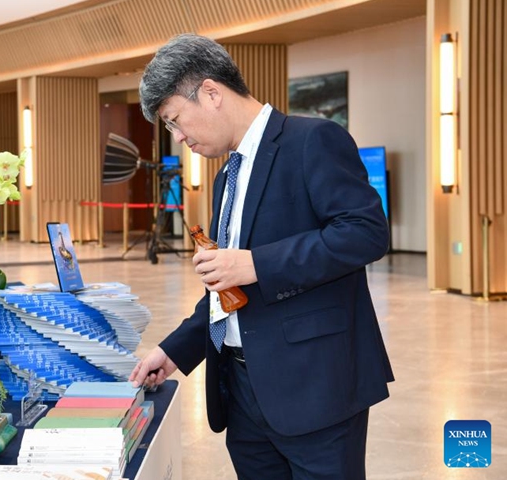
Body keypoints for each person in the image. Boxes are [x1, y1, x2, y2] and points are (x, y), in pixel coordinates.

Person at [129, 34, 394, 480]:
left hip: (316, 391)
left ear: (211, 93)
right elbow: (228, 289)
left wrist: (257, 263)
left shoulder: (313, 141)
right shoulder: (224, 179)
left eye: (175, 121)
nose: (178, 138)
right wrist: (175, 351)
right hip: (244, 396)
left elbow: (366, 233)